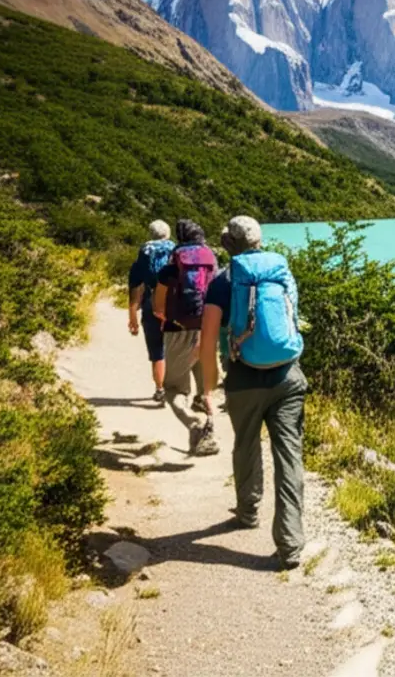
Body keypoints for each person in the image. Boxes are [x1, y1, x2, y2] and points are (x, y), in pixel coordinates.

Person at [199, 216, 308, 568]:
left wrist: (207, 387)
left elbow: (207, 341)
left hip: (244, 378)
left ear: (229, 245)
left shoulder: (221, 283)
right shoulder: (281, 272)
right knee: (289, 456)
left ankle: (248, 512)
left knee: (246, 443)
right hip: (288, 377)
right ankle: (290, 544)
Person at [153, 220, 220, 456]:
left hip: (177, 331)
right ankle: (209, 430)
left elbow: (158, 308)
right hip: (208, 331)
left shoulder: (170, 269)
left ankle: (194, 424)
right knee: (207, 391)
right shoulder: (212, 264)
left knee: (173, 389)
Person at [127, 220, 175, 404]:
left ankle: (160, 389)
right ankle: (176, 388)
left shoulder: (144, 252)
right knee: (175, 346)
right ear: (168, 233)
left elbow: (134, 286)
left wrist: (132, 317)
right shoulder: (176, 250)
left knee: (157, 350)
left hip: (151, 303)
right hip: (174, 304)